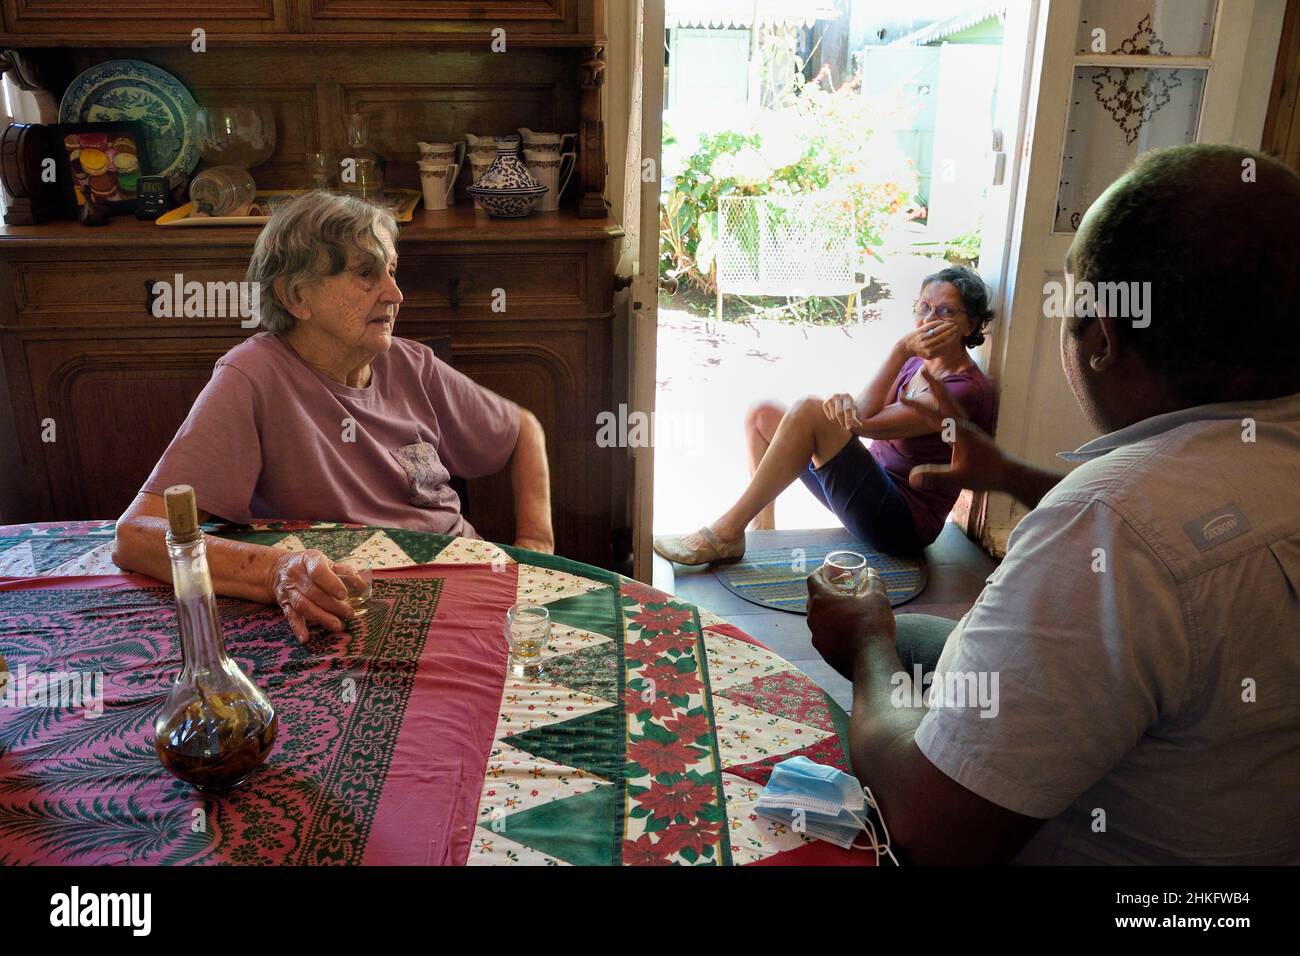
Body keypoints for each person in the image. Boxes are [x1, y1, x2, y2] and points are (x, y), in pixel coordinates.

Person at [806, 144, 1300, 864]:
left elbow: (929, 828)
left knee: (874, 670)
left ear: (1101, 338)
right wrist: (1012, 475)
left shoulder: (1109, 524)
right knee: (922, 644)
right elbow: (1193, 538)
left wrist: (866, 643)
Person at [113, 191, 553, 643]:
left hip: (464, 581)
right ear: (295, 296)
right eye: (366, 274)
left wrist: (536, 546)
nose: (395, 294)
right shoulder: (253, 375)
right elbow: (137, 536)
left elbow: (524, 430)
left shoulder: (412, 364)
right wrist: (276, 571)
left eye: (392, 271)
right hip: (350, 610)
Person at [653, 267, 996, 566]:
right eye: (924, 307)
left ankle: (726, 531)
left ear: (970, 325)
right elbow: (859, 414)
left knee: (809, 411)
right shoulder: (915, 365)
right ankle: (760, 527)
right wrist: (896, 363)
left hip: (900, 524)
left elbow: (862, 426)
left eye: (946, 311)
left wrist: (900, 349)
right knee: (763, 413)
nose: (929, 320)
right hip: (870, 492)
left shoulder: (965, 391)